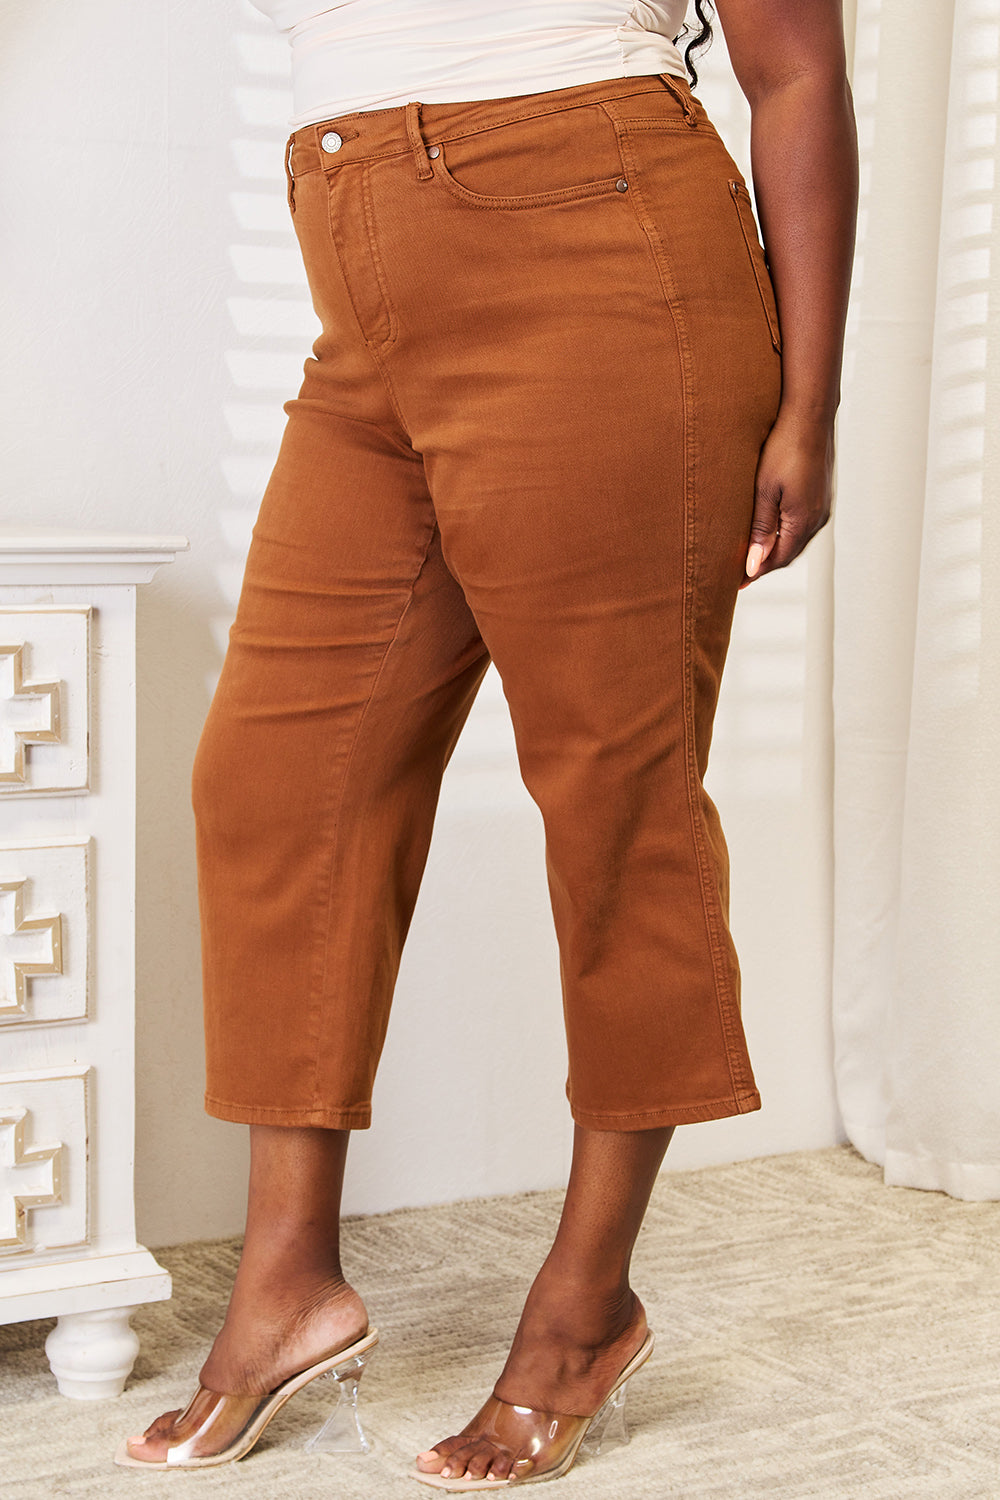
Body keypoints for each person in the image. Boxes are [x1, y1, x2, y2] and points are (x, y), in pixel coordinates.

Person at [116, 0, 857, 1487]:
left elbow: (795, 67)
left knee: (612, 792)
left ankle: (586, 1308)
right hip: (357, 250)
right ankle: (288, 1287)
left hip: (599, 246)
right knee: (277, 778)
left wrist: (812, 402)